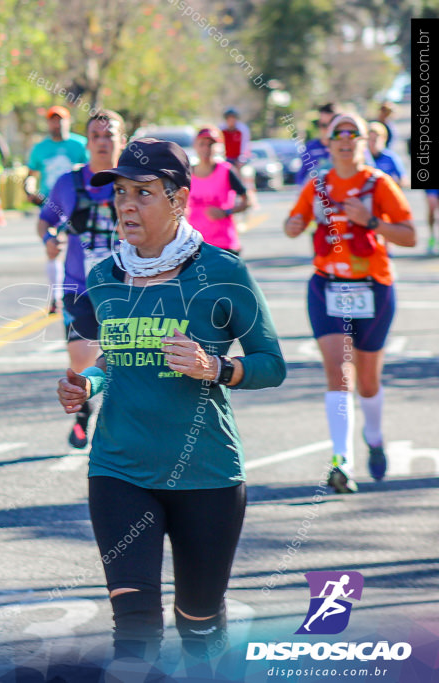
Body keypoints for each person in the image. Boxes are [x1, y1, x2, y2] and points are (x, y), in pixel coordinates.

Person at [58, 138, 286, 679]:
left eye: (143, 193)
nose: (127, 206)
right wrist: (86, 385)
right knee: (133, 628)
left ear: (180, 199)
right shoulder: (103, 279)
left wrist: (217, 368)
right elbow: (112, 361)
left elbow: (271, 364)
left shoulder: (222, 273)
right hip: (119, 469)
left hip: (206, 475)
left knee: (199, 624)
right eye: (120, 194)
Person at [284, 113, 416, 492]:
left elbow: (409, 235)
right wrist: (292, 226)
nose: (345, 139)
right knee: (338, 374)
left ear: (363, 141)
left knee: (368, 381)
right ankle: (342, 461)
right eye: (337, 133)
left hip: (372, 288)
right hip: (328, 286)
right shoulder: (319, 184)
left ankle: (373, 436)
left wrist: (372, 221)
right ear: (328, 143)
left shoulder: (379, 184)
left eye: (352, 133)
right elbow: (294, 220)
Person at [37, 110, 125, 449]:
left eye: (110, 135)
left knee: (127, 360)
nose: (103, 142)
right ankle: (84, 410)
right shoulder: (69, 183)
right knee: (81, 358)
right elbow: (46, 221)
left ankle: (120, 420)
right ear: (86, 142)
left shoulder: (132, 184)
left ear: (123, 139)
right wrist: (49, 240)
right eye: (96, 136)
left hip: (127, 288)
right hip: (80, 286)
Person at [27, 106, 89, 313]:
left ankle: (81, 291)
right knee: (53, 248)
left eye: (60, 120)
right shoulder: (40, 148)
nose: (57, 124)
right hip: (51, 204)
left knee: (76, 249)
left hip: (77, 205)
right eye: (53, 120)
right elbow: (31, 175)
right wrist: (29, 189)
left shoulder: (79, 145)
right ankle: (56, 296)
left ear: (68, 121)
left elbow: (92, 171)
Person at [187, 126, 250, 254]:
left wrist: (226, 212)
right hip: (196, 244)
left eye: (211, 144)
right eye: (202, 144)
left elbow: (247, 201)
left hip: (223, 245)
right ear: (195, 146)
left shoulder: (226, 171)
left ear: (218, 146)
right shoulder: (187, 174)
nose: (206, 148)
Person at [296, 103, 337, 187]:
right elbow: (302, 178)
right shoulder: (311, 148)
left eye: (332, 125)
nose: (328, 129)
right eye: (323, 125)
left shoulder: (346, 148)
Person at [367, 122, 406, 186]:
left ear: (384, 139)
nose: (372, 143)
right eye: (370, 140)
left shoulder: (390, 157)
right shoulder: (363, 157)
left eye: (375, 140)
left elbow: (403, 179)